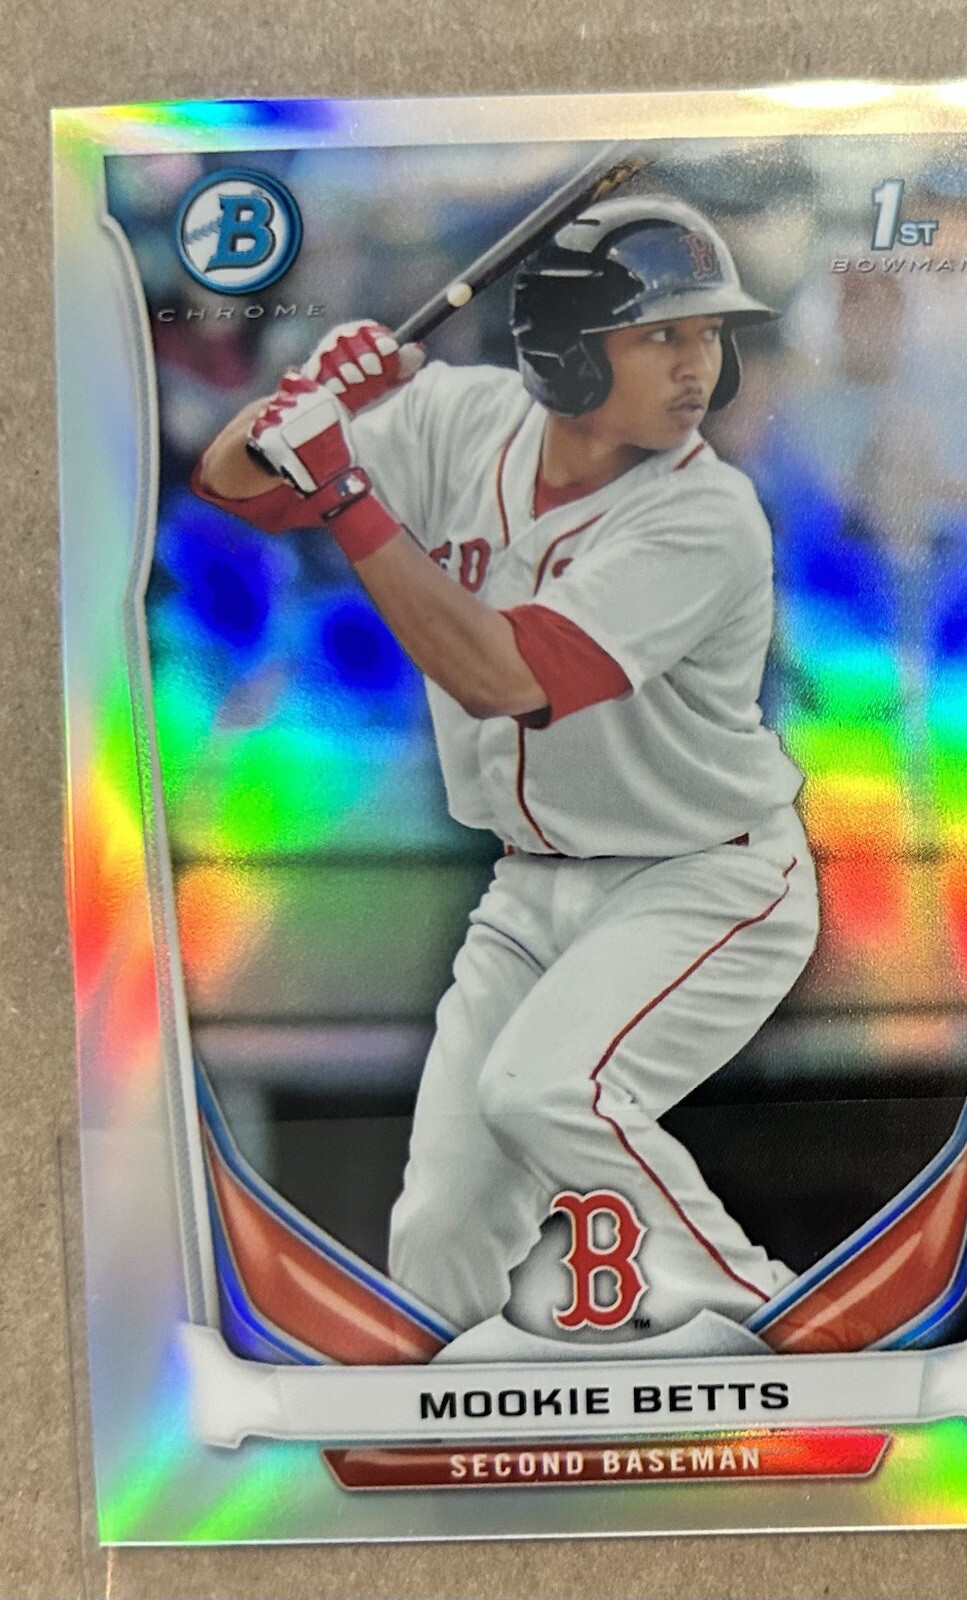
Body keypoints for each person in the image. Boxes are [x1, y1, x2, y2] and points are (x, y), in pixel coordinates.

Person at [195, 196, 820, 1343]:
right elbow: (238, 483)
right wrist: (305, 401)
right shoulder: (459, 417)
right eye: (661, 335)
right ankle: (451, 1420)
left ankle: (783, 1326)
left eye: (708, 335)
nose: (698, 365)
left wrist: (346, 488)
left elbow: (500, 674)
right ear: (568, 351)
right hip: (531, 882)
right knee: (437, 1234)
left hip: (704, 875)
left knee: (545, 1089)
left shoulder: (707, 513)